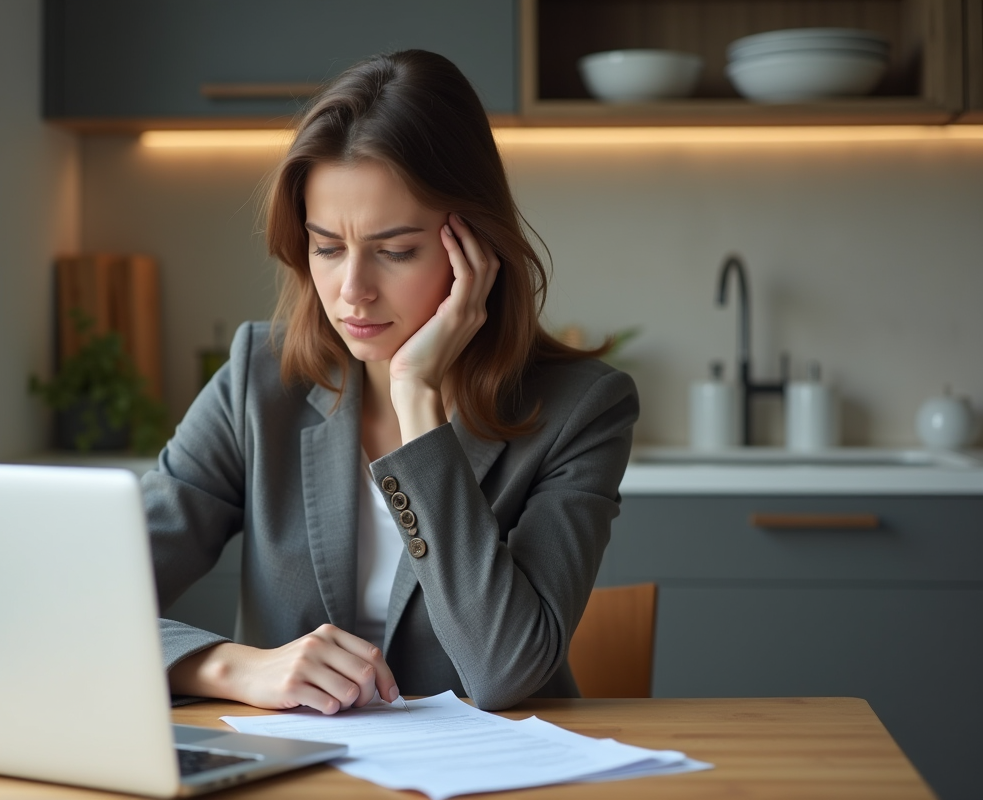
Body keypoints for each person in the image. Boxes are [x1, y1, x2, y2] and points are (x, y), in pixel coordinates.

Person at [142, 50, 638, 714]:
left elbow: (506, 671)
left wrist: (417, 397)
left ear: (477, 250)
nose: (352, 292)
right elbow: (83, 605)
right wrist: (230, 667)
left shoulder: (582, 411)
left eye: (395, 251)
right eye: (327, 247)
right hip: (297, 777)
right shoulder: (259, 378)